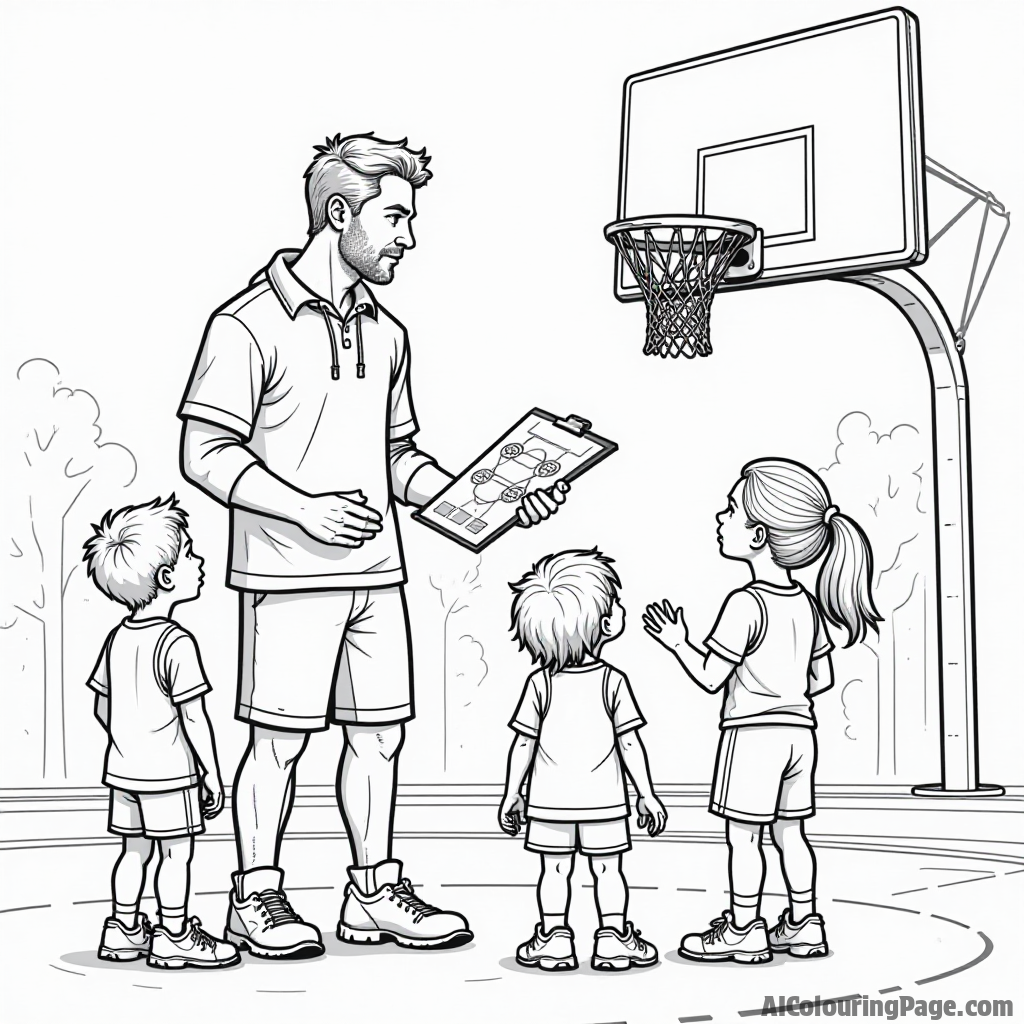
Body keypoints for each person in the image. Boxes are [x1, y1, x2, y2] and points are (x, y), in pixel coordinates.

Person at [179, 133, 568, 959]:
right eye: (396, 217)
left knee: (379, 738)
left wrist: (497, 500)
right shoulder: (246, 325)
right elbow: (204, 453)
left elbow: (400, 461)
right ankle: (257, 896)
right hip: (287, 576)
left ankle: (372, 894)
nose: (408, 236)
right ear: (339, 213)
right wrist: (303, 510)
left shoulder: (389, 334)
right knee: (278, 742)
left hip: (376, 575)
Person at [645, 458, 882, 964]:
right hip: (802, 734)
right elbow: (822, 679)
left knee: (744, 838)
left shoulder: (745, 603)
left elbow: (711, 676)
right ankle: (803, 924)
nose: (719, 517)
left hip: (753, 734)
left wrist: (676, 642)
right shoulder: (808, 603)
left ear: (757, 535)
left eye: (730, 510)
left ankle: (744, 927)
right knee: (791, 834)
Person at [83, 497, 238, 970]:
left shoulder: (117, 638)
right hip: (171, 773)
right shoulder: (176, 642)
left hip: (124, 771)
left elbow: (101, 705)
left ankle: (124, 929)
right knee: (175, 855)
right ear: (168, 578)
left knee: (132, 852)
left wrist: (129, 740)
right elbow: (194, 718)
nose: (200, 561)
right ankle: (174, 934)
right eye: (190, 554)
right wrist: (210, 774)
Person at [499, 549, 667, 972]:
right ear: (607, 625)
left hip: (548, 802)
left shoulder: (539, 683)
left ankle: (554, 938)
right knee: (608, 871)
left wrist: (511, 794)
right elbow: (630, 744)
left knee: (554, 870)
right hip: (605, 802)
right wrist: (646, 795)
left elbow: (523, 744)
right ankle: (613, 938)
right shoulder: (613, 681)